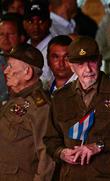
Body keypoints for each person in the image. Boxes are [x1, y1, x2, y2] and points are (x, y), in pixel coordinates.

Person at [44, 36, 110, 180]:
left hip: (109, 176)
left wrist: (99, 146)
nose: (88, 69)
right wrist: (61, 152)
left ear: (99, 61)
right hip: (72, 176)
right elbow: (50, 139)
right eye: (80, 64)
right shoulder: (60, 98)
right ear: (71, 66)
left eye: (92, 61)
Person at [0, 43, 55, 180]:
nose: (5, 71)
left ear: (28, 72)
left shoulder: (40, 107)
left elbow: (47, 156)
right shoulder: (16, 98)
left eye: (11, 67)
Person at [23, 0, 54, 90]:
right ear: (24, 24)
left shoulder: (56, 48)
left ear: (50, 23)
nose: (36, 27)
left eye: (41, 21)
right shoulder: (23, 48)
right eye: (30, 21)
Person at [0, 13, 25, 103]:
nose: (5, 38)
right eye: (1, 34)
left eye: (11, 34)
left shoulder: (29, 62)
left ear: (21, 37)